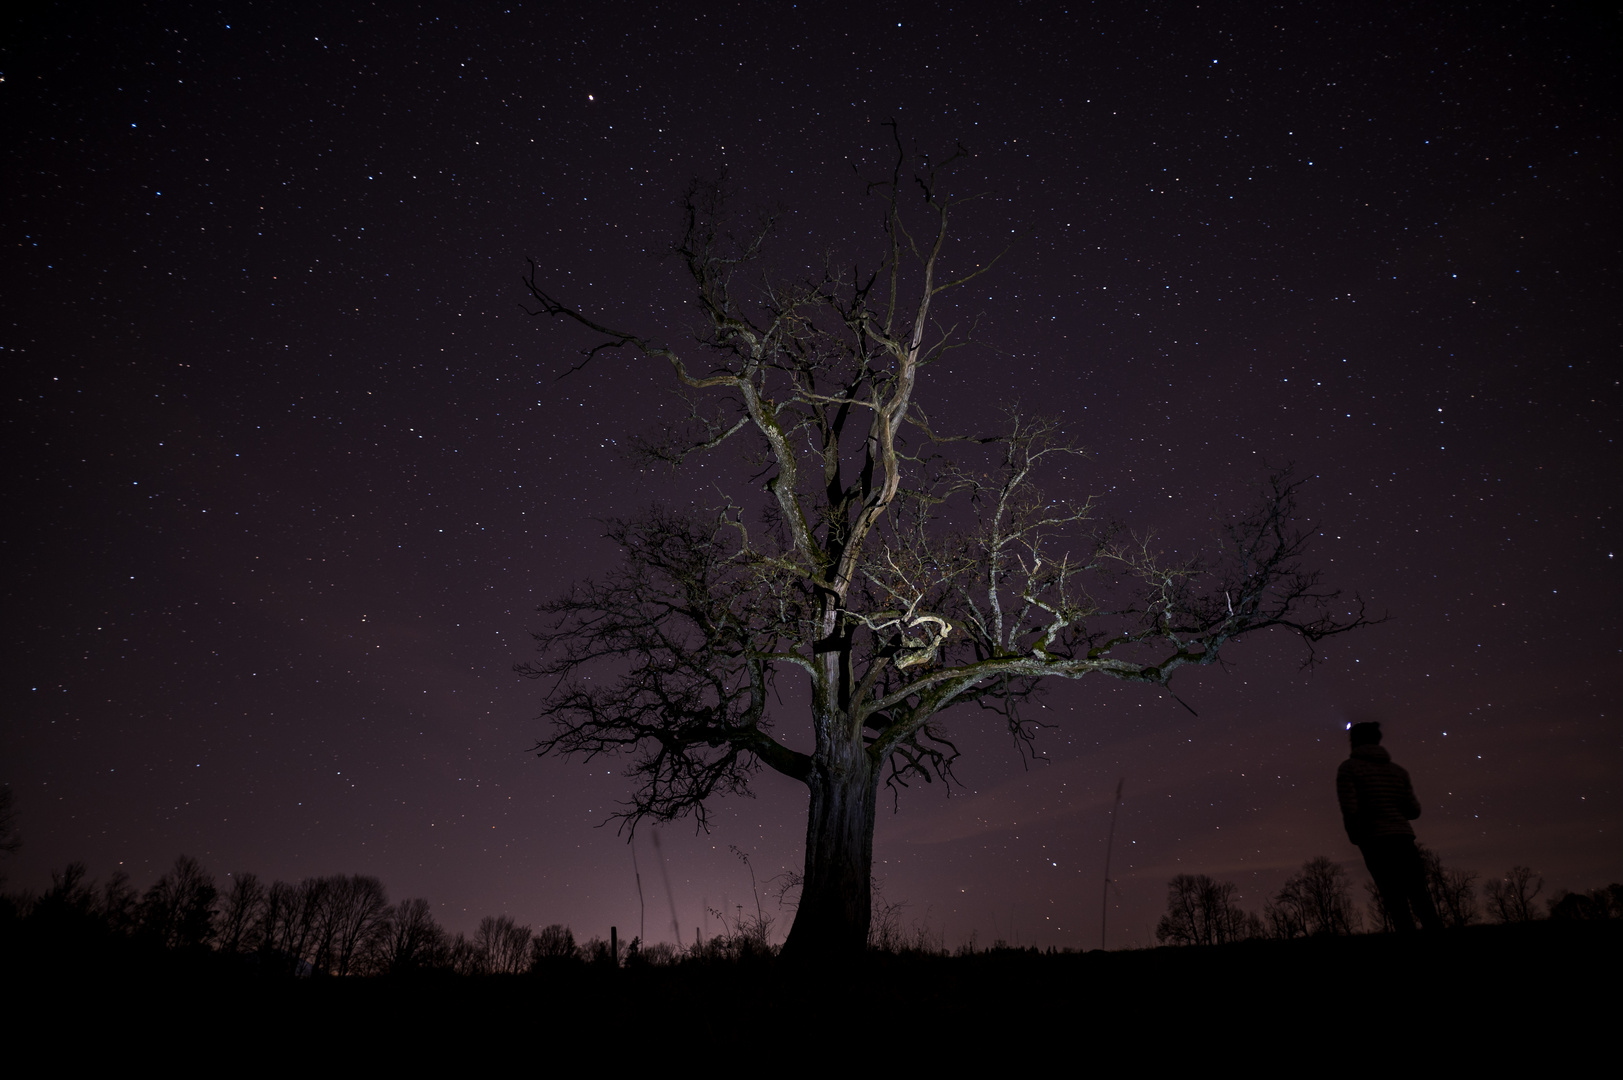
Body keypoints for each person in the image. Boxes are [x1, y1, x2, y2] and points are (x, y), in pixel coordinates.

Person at [1336, 721, 1443, 932]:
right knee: (1419, 894)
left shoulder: (1349, 769)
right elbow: (1414, 811)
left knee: (1393, 897)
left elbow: (1350, 809)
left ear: (1355, 742)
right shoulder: (1398, 771)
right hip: (1403, 837)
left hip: (1374, 839)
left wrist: (1356, 835)